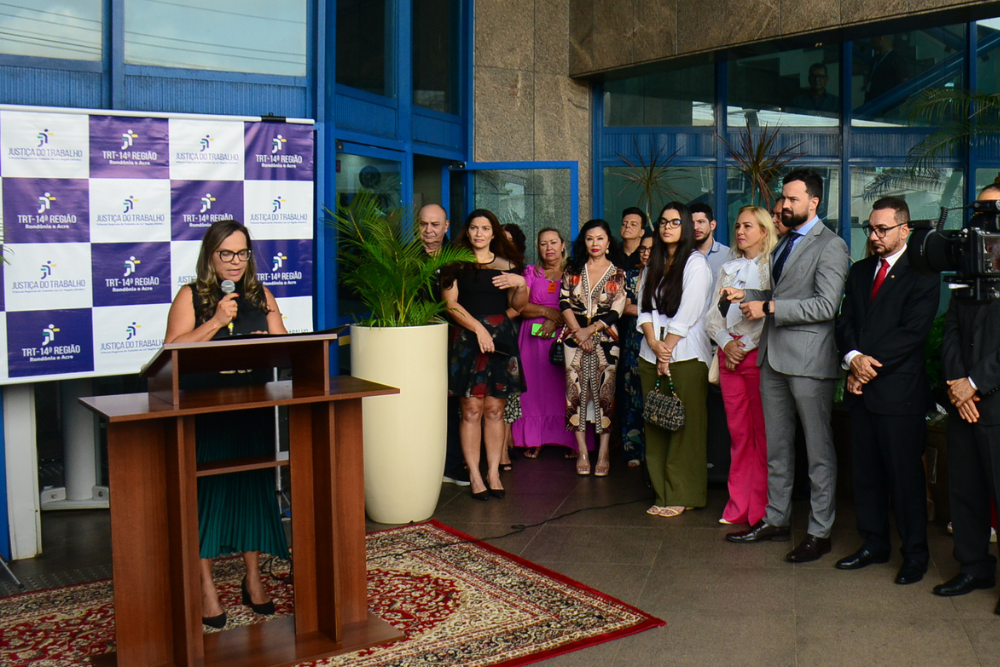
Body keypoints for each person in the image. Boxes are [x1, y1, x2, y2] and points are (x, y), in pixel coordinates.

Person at [163, 219, 288, 628]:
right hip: (206, 412)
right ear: (210, 255)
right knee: (209, 497)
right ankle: (206, 588)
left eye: (242, 253)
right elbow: (171, 350)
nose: (235, 262)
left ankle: (253, 580)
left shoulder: (261, 294)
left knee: (252, 491)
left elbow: (284, 346)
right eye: (227, 254)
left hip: (251, 409)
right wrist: (215, 321)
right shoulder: (191, 295)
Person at [725, 169, 850, 563]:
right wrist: (748, 293)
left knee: (817, 451)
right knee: (777, 447)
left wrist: (771, 306)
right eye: (783, 198)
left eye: (793, 199)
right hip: (773, 358)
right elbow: (782, 292)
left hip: (810, 361)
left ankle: (820, 531)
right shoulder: (784, 243)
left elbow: (826, 306)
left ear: (813, 202)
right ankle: (776, 520)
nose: (784, 205)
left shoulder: (831, 245)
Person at [834, 196, 940, 585]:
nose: (875, 236)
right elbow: (844, 323)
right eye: (871, 229)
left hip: (899, 395)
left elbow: (911, 335)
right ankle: (873, 544)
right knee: (866, 475)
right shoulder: (860, 271)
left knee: (905, 479)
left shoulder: (924, 274)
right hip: (861, 393)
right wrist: (851, 358)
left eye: (883, 229)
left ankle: (915, 555)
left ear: (904, 230)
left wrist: (864, 366)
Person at [933, 184, 1000, 609]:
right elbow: (951, 330)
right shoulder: (968, 270)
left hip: (993, 401)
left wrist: (975, 384)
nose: (983, 221)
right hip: (965, 403)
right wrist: (958, 384)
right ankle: (973, 566)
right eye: (980, 210)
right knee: (967, 491)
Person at [442, 209, 527, 500]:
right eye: (474, 228)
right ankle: (475, 475)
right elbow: (451, 305)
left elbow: (518, 304)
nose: (479, 233)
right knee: (471, 410)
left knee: (494, 410)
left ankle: (493, 472)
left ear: (494, 233)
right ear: (467, 232)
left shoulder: (509, 264)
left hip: (500, 340)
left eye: (485, 228)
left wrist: (522, 285)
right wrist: (478, 328)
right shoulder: (454, 265)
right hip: (468, 339)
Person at [638, 202, 715, 517]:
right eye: (663, 222)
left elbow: (688, 314)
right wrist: (654, 344)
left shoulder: (696, 264)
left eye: (674, 222)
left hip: (685, 356)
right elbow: (643, 308)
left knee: (685, 428)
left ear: (685, 227)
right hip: (650, 353)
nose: (667, 227)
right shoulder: (651, 263)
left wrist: (666, 349)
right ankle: (662, 493)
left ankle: (683, 493)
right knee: (656, 424)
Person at [705, 206, 777, 526]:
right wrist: (726, 343)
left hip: (757, 357)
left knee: (761, 434)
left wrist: (742, 346)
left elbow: (770, 314)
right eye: (737, 226)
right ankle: (737, 505)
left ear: (764, 231)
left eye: (748, 226)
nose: (740, 232)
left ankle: (760, 508)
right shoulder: (728, 267)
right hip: (728, 355)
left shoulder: (771, 267)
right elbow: (711, 317)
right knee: (738, 434)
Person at [560, 219, 627, 476]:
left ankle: (603, 452)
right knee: (575, 391)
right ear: (583, 242)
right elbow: (563, 301)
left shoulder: (617, 273)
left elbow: (617, 309)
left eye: (600, 238)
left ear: (609, 242)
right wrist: (579, 331)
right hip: (573, 336)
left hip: (606, 338)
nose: (595, 243)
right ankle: (582, 451)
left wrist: (591, 330)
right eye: (590, 238)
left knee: (605, 393)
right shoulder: (573, 269)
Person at [512, 228, 585, 459]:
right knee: (533, 391)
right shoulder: (530, 273)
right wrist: (547, 312)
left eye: (553, 242)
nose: (549, 248)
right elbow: (521, 307)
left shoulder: (574, 273)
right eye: (543, 244)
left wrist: (557, 321)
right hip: (533, 341)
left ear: (563, 245)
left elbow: (581, 307)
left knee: (564, 389)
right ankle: (534, 438)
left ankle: (570, 441)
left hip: (565, 337)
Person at [418, 204, 470, 487]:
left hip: (454, 340)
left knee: (453, 404)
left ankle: (451, 464)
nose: (429, 231)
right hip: (417, 342)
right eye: (424, 224)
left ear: (446, 226)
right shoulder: (406, 258)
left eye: (435, 225)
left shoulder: (460, 258)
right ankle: (421, 462)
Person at [620, 230, 654, 466]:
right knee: (631, 396)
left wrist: (639, 309)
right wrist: (650, 312)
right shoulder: (630, 274)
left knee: (651, 396)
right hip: (632, 341)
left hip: (655, 343)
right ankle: (632, 450)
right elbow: (622, 307)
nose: (645, 253)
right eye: (642, 249)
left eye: (651, 249)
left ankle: (651, 453)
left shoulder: (665, 276)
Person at [501, 223, 528, 471]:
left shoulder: (517, 271)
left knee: (509, 392)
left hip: (506, 334)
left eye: (510, 240)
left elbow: (519, 306)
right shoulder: (477, 265)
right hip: (480, 334)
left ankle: (504, 449)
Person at [690, 203, 731, 278]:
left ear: (712, 225)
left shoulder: (728, 255)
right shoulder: (684, 255)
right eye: (691, 223)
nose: (695, 227)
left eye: (701, 222)